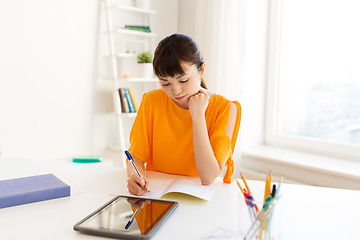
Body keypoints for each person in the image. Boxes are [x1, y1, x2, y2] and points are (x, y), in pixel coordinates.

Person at [127, 33, 239, 196]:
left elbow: (208, 177)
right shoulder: (151, 101)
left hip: (198, 197)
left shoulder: (224, 108)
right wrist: (136, 176)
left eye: (183, 80)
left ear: (202, 69)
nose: (175, 90)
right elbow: (135, 156)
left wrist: (198, 117)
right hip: (156, 194)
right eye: (165, 83)